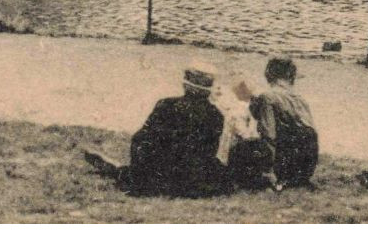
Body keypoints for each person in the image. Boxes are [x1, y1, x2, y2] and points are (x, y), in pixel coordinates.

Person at [85, 63, 230, 197]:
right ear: (208, 90)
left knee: (135, 167)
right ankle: (122, 171)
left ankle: (121, 171)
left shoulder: (166, 105)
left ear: (185, 85)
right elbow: (209, 152)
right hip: (192, 183)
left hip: (157, 178)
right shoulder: (217, 115)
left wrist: (140, 168)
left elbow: (140, 139)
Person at [250, 57, 318, 190]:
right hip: (307, 166)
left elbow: (269, 134)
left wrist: (269, 172)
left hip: (285, 167)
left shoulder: (267, 97)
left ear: (269, 74)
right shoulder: (300, 99)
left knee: (244, 146)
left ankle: (273, 177)